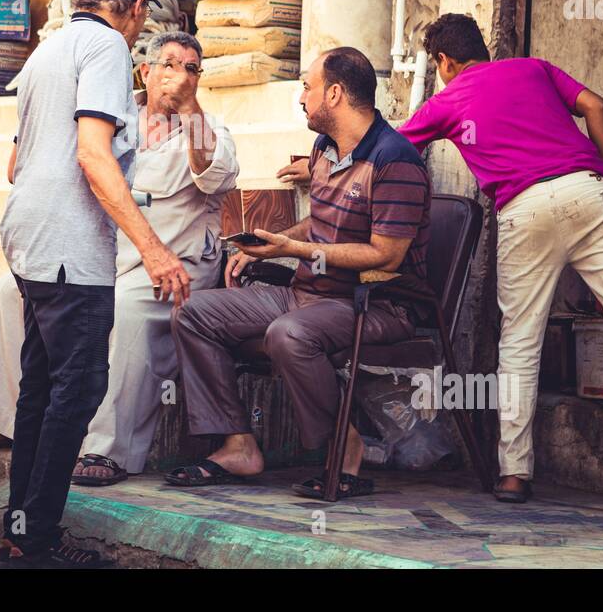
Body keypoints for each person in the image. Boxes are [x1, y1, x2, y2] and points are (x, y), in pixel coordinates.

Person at [398, 12, 603, 502]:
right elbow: (596, 105)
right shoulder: (533, 67)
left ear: (444, 61)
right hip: (588, 191)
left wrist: (327, 162)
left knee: (519, 343)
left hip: (523, 208)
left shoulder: (447, 100)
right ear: (481, 49)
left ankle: (514, 473)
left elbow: (393, 149)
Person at [0, 31, 239, 485]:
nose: (181, 76)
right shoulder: (112, 116)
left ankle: (106, 448)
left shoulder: (209, 128)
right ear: (146, 71)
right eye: (170, 65)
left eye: (192, 69)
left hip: (172, 264)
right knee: (8, 292)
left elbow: (216, 176)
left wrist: (190, 109)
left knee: (126, 312)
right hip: (103, 253)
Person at [167, 47, 431, 499]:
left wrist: (294, 250)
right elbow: (321, 221)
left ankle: (344, 445)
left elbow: (386, 256)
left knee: (289, 334)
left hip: (376, 305)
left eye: (308, 87)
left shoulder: (395, 161)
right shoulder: (325, 147)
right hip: (307, 293)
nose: (301, 96)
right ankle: (238, 444)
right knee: (193, 312)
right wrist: (270, 244)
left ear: (335, 94)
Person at [0, 0, 191, 568]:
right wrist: (154, 249)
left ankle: (21, 527)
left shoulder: (48, 50)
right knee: (78, 388)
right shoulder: (107, 47)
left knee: (42, 387)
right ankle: (35, 536)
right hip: (68, 247)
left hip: (28, 237)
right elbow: (92, 154)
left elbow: (17, 164)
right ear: (136, 9)